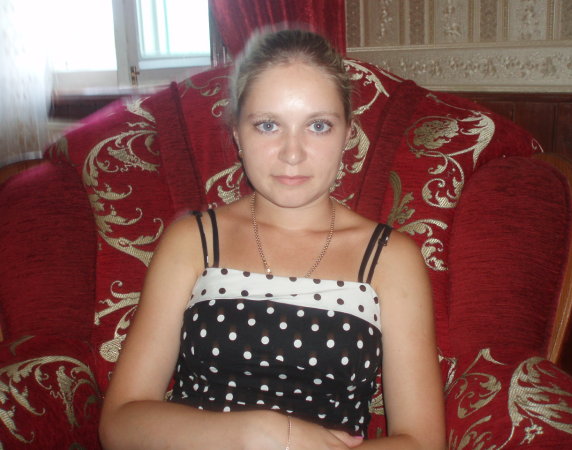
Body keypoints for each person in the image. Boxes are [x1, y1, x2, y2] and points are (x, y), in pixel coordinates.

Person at [99, 28, 445, 449]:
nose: (292, 153)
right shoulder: (192, 241)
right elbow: (120, 422)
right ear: (237, 135)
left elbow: (423, 441)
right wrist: (257, 433)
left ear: (348, 135)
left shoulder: (391, 258)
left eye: (318, 125)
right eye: (267, 125)